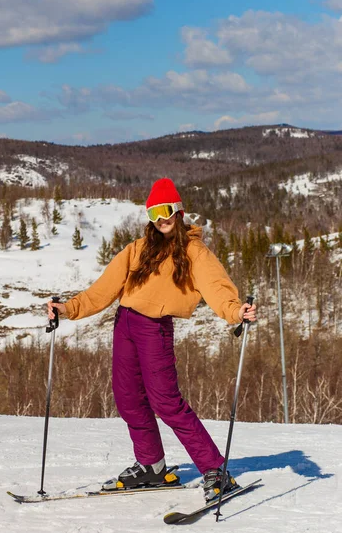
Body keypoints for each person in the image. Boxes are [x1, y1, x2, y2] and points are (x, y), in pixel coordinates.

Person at [48, 177, 257, 502]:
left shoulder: (194, 252)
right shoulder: (137, 250)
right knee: (128, 398)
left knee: (166, 402)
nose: (161, 219)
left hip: (155, 329)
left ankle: (216, 471)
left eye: (167, 211)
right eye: (154, 212)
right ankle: (151, 465)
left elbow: (217, 288)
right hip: (125, 325)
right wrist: (67, 309)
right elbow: (102, 291)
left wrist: (235, 311)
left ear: (179, 211)